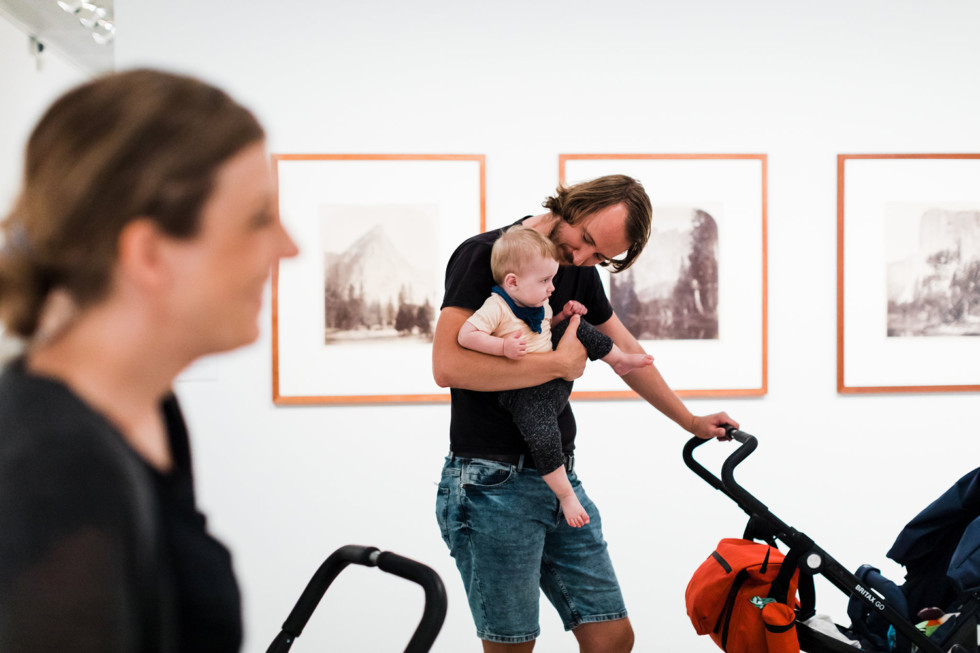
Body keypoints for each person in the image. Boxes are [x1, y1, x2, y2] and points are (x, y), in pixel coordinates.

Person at [0, 69, 297, 653]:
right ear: (150, 254)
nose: (289, 246)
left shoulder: (150, 406)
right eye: (258, 218)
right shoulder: (54, 470)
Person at [433, 174, 737, 652]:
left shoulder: (577, 271)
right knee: (513, 646)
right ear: (572, 205)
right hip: (490, 482)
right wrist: (555, 363)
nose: (580, 261)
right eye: (587, 243)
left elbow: (626, 352)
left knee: (612, 638)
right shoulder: (487, 255)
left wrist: (691, 422)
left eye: (599, 257)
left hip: (557, 477)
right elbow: (447, 365)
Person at [457, 225, 652, 528]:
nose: (552, 287)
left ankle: (618, 359)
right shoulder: (496, 307)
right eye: (546, 280)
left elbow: (546, 328)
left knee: (577, 325)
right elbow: (466, 335)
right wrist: (502, 346)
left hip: (551, 378)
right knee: (545, 437)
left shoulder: (538, 302)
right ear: (513, 282)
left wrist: (564, 315)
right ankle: (565, 495)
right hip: (523, 392)